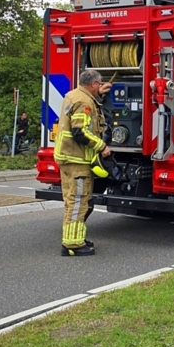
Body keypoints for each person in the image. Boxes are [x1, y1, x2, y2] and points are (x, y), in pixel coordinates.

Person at [54, 69, 111, 256]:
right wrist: (102, 146)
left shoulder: (73, 95)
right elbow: (80, 132)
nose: (101, 85)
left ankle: (76, 238)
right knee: (78, 201)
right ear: (93, 84)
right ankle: (73, 245)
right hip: (77, 159)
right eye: (99, 83)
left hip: (68, 157)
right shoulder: (84, 102)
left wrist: (99, 96)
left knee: (73, 200)